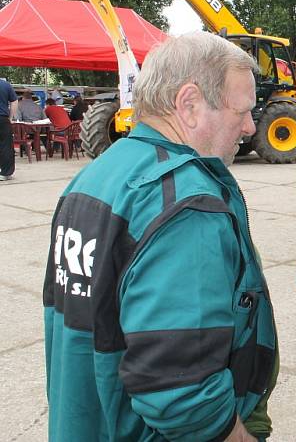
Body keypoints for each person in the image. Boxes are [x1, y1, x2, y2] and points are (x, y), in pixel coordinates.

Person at [43, 32, 279, 441]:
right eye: (242, 111)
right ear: (189, 105)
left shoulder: (95, 176)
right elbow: (182, 391)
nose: (249, 126)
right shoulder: (186, 206)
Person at [0, 77, 18, 181]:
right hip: (2, 119)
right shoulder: (5, 85)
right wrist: (10, 118)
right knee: (6, 145)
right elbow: (14, 101)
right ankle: (5, 173)